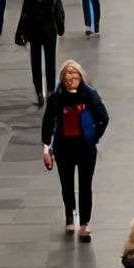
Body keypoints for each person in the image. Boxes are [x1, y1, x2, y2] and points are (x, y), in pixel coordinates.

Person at [41, 60, 109, 241]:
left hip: (85, 147)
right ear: (62, 79)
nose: (71, 78)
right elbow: (48, 123)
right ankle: (70, 213)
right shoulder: (56, 98)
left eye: (74, 74)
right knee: (67, 184)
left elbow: (103, 117)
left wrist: (95, 135)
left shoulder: (89, 95)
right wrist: (46, 148)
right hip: (63, 147)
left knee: (86, 186)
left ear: (81, 76)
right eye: (67, 75)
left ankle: (84, 224)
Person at [17, 0, 65, 105]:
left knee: (36, 63)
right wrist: (61, 28)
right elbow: (59, 12)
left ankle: (39, 91)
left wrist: (21, 33)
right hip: (49, 33)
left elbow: (24, 16)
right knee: (50, 60)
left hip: (34, 34)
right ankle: (50, 90)